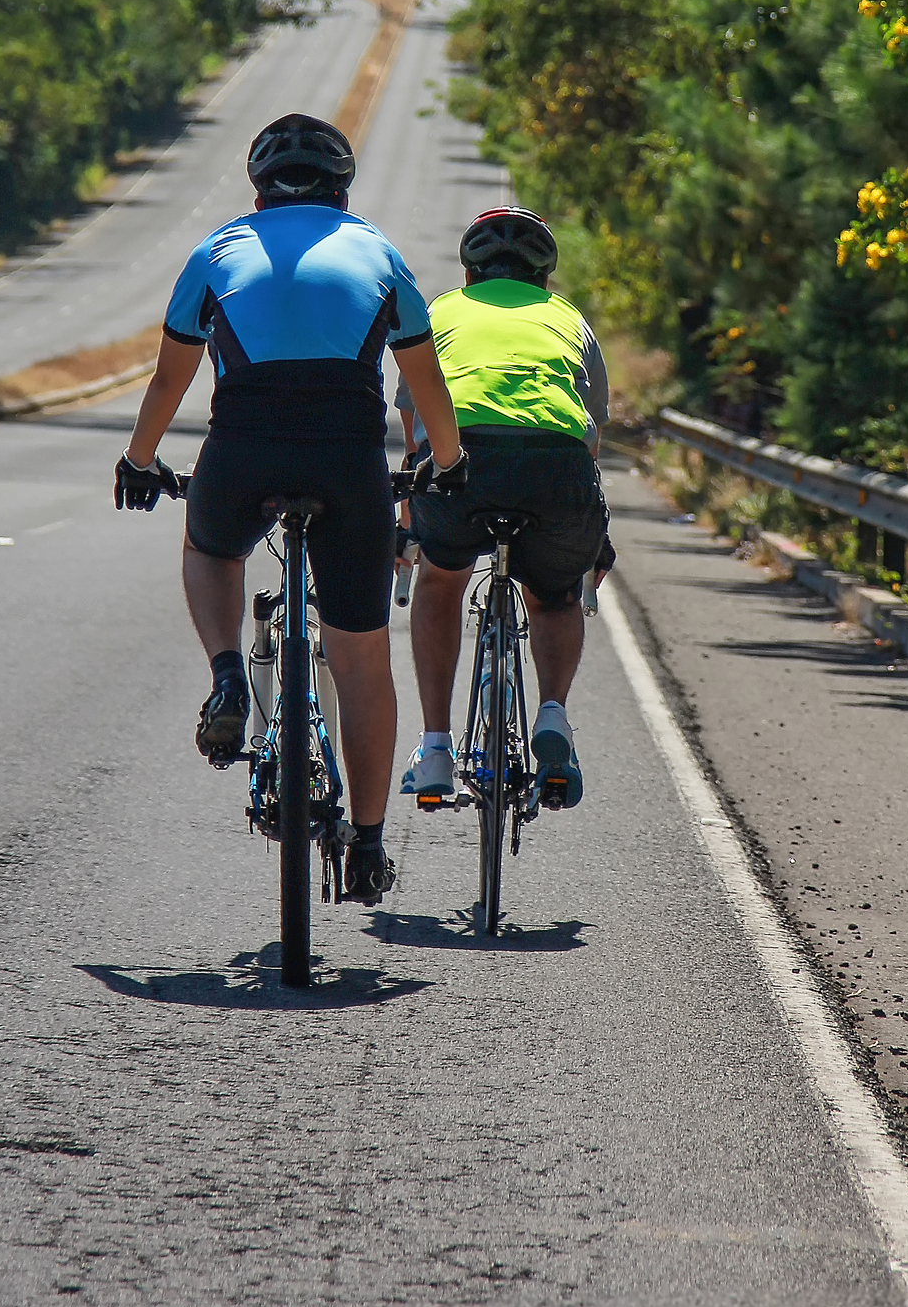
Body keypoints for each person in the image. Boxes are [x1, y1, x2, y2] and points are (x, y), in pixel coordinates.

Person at [113, 113, 467, 905]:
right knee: (365, 661)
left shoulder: (217, 251)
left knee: (212, 547)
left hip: (244, 450)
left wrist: (139, 461)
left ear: (259, 187)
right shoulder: (378, 251)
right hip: (347, 464)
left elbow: (169, 382)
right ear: (342, 188)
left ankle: (228, 674)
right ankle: (370, 845)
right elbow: (430, 384)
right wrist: (447, 465)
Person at [397, 206, 613, 809]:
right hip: (556, 467)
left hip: (459, 459)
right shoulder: (568, 318)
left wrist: (408, 526)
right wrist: (592, 536)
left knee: (439, 581)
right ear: (543, 276)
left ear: (470, 272)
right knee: (554, 594)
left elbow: (416, 428)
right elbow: (589, 436)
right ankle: (552, 716)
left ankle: (436, 744)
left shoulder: (440, 310)